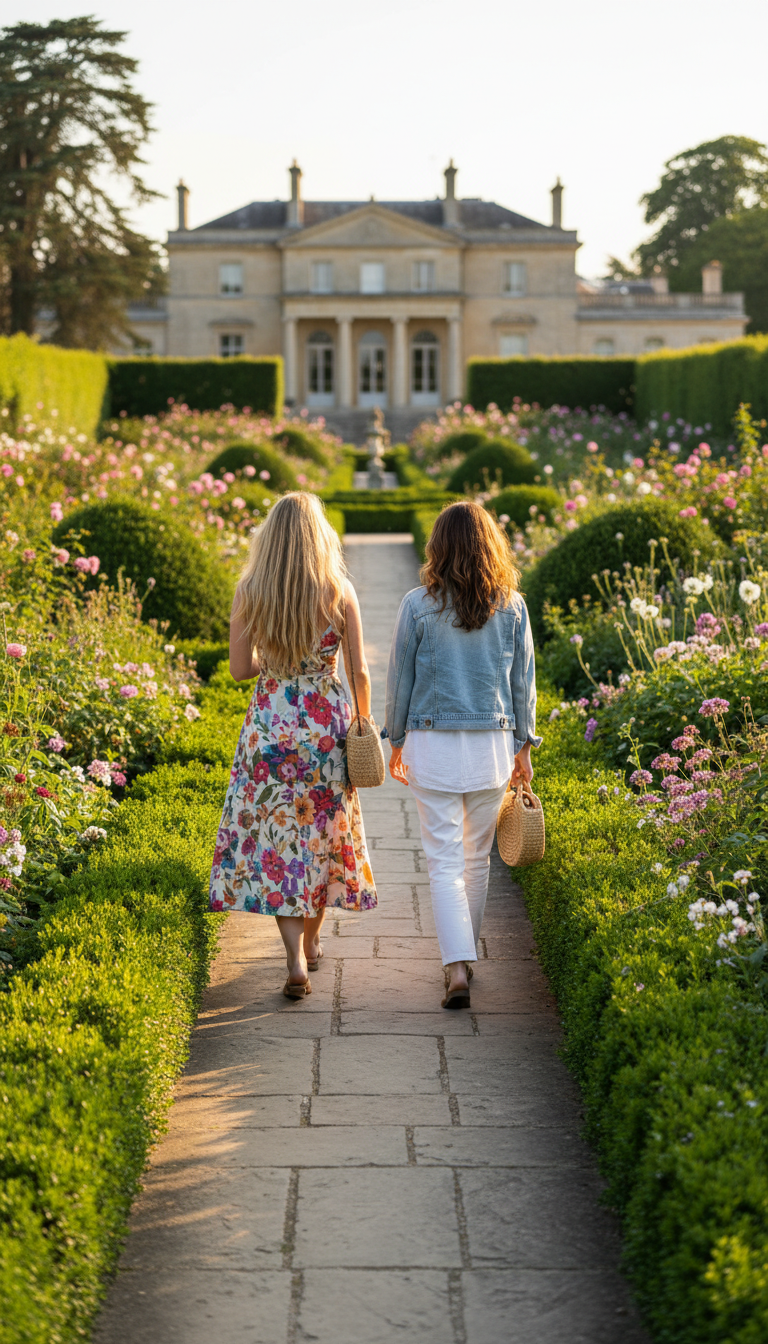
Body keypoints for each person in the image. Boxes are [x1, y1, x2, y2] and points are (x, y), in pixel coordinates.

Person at [209, 492, 377, 998]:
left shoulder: (250, 591)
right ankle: (313, 940)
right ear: (318, 535)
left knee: (280, 845)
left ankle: (295, 960)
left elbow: (240, 669)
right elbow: (360, 671)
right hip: (326, 730)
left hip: (270, 727)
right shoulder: (337, 590)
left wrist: (278, 662)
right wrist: (365, 720)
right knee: (323, 837)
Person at [384, 500, 540, 1009]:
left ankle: (455, 966)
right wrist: (524, 746)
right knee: (477, 859)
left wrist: (395, 739)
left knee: (443, 861)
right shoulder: (512, 606)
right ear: (491, 546)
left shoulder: (417, 605)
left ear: (439, 547)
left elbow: (399, 678)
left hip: (431, 744)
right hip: (492, 746)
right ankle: (464, 960)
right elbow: (523, 684)